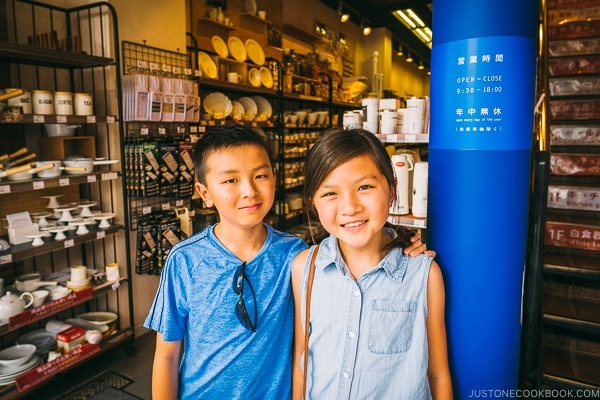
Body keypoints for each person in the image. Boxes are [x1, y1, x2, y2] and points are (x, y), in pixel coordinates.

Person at [144, 124, 431, 399]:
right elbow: (167, 356)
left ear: (274, 177)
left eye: (260, 175)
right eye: (231, 180)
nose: (249, 191)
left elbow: (351, 250)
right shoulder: (184, 260)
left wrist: (399, 240)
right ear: (205, 193)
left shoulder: (296, 254)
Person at [291, 128, 452, 399]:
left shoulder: (423, 275)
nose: (350, 207)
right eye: (330, 193)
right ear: (313, 201)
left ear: (392, 189)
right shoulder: (305, 268)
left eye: (364, 187)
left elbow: (437, 373)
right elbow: (302, 355)